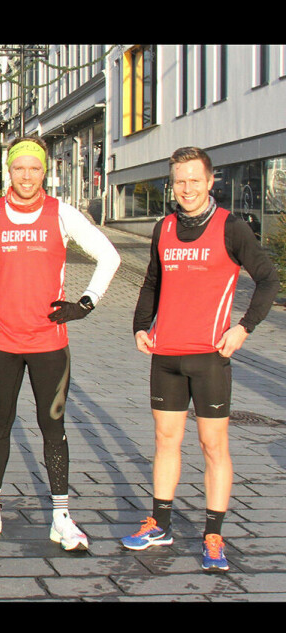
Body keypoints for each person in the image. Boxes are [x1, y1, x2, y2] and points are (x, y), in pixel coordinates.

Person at [0, 136, 120, 551]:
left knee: (52, 426)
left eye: (34, 168)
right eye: (19, 168)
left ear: (45, 172)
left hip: (49, 342)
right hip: (1, 340)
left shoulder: (62, 214)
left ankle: (61, 518)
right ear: (9, 171)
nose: (26, 176)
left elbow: (109, 256)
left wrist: (86, 302)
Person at [121, 147, 278, 571]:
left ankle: (213, 536)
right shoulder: (164, 227)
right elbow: (152, 281)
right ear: (172, 184)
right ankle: (160, 524)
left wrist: (243, 328)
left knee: (213, 445)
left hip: (210, 358)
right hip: (166, 356)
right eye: (180, 181)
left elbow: (268, 280)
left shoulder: (232, 227)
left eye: (195, 180)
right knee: (165, 441)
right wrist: (140, 326)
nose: (187, 188)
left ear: (211, 181)